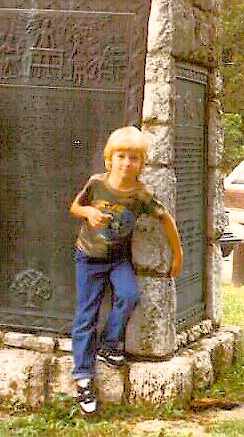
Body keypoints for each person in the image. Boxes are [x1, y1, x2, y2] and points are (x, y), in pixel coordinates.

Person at [69, 126, 183, 414]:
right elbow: (74, 206)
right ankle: (83, 378)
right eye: (121, 156)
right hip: (89, 257)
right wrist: (89, 212)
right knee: (86, 314)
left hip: (118, 259)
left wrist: (177, 253)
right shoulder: (97, 183)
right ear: (110, 158)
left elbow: (166, 219)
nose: (126, 163)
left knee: (129, 296)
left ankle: (109, 344)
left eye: (134, 158)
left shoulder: (141, 195)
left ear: (141, 164)